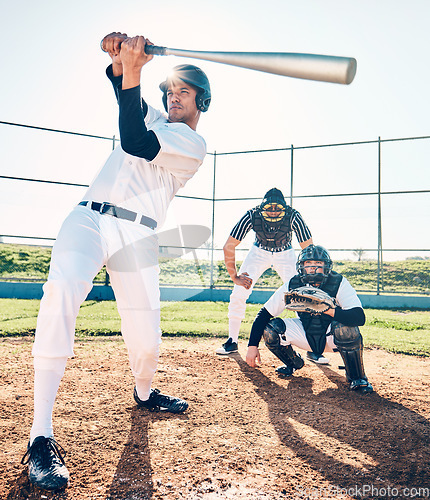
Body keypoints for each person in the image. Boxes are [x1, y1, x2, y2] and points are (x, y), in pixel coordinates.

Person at [21, 32, 211, 491]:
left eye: (182, 92)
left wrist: (134, 71)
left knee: (145, 335)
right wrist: (120, 57)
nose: (172, 97)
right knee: (62, 290)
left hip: (138, 236)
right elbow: (121, 88)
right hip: (88, 218)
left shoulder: (192, 146)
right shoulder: (151, 112)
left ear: (202, 101)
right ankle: (39, 435)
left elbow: (134, 138)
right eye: (170, 91)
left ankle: (144, 392)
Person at [245, 244, 373, 393]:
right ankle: (293, 362)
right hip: (305, 334)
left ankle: (357, 377)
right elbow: (264, 314)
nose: (313, 268)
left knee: (346, 328)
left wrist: (329, 311)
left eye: (318, 263)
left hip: (333, 337)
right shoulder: (293, 284)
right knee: (272, 330)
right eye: (308, 263)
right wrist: (252, 346)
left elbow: (359, 317)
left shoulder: (338, 282)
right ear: (301, 266)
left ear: (326, 266)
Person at [216, 187, 312, 355]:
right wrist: (234, 276)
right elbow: (229, 246)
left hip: (286, 253)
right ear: (262, 208)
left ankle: (313, 345)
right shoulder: (252, 215)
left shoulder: (293, 216)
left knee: (302, 295)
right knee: (239, 292)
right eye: (269, 208)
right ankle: (232, 340)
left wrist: (309, 279)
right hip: (258, 252)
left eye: (277, 208)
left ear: (285, 208)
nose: (273, 212)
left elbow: (309, 249)